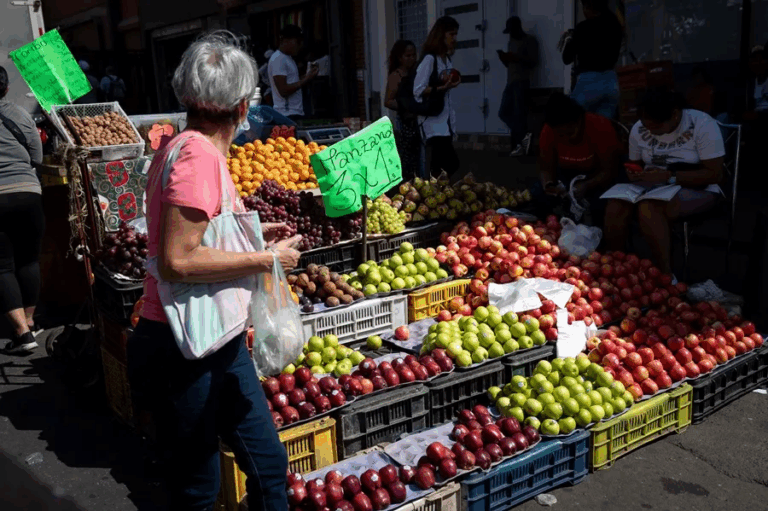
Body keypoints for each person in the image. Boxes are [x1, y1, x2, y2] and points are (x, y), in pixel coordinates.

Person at [126, 33, 302, 511]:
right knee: (198, 491)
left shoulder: (183, 147)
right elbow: (178, 260)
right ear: (243, 108)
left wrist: (250, 233)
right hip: (183, 345)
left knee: (268, 466)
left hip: (217, 337)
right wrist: (267, 259)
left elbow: (195, 233)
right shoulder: (198, 156)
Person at [603, 88, 724, 276]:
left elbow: (714, 174)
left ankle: (664, 276)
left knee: (649, 207)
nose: (650, 132)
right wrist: (635, 173)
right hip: (653, 185)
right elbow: (636, 164)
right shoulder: (639, 128)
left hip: (699, 187)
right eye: (646, 126)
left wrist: (670, 176)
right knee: (616, 204)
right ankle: (615, 268)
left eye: (656, 128)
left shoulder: (701, 124)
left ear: (675, 115)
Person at [0, 66, 45, 353]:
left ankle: (22, 334)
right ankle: (30, 321)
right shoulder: (19, 113)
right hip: (28, 193)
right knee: (29, 261)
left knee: (2, 266)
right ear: (6, 88)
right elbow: (36, 156)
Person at [537, 92, 621, 225]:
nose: (566, 139)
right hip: (565, 176)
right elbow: (546, 168)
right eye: (560, 135)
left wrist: (588, 185)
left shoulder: (600, 127)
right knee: (537, 195)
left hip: (597, 176)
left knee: (600, 206)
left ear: (580, 120)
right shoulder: (548, 131)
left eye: (570, 133)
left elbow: (610, 171)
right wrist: (549, 184)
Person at [414, 16, 461, 179]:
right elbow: (418, 89)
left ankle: (436, 190)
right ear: (441, 35)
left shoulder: (446, 60)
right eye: (451, 34)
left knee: (440, 166)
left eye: (456, 34)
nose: (454, 39)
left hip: (445, 120)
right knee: (450, 164)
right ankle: (434, 189)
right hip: (432, 121)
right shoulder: (430, 59)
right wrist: (442, 88)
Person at [562, 0, 624, 119]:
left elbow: (567, 58)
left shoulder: (583, 28)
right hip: (611, 81)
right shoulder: (614, 25)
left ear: (588, 7)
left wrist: (570, 38)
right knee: (603, 125)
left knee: (574, 120)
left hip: (588, 83)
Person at [497, 16, 539, 157]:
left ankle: (521, 146)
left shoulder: (529, 40)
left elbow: (533, 62)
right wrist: (504, 59)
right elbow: (510, 64)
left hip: (522, 82)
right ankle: (524, 137)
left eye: (511, 31)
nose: (510, 34)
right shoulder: (511, 42)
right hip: (510, 82)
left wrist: (516, 58)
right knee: (503, 112)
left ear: (518, 28)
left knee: (519, 115)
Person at [385, 40, 420, 181]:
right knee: (407, 160)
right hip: (405, 123)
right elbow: (388, 101)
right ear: (400, 57)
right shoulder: (396, 76)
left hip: (419, 122)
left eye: (414, 55)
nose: (412, 58)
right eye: (408, 55)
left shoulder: (418, 72)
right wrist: (406, 105)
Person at [268, 25, 318, 121]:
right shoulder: (278, 59)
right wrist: (306, 79)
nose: (300, 46)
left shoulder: (288, 58)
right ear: (286, 41)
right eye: (297, 42)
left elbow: (292, 81)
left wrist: (308, 76)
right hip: (287, 114)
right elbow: (283, 90)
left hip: (294, 112)